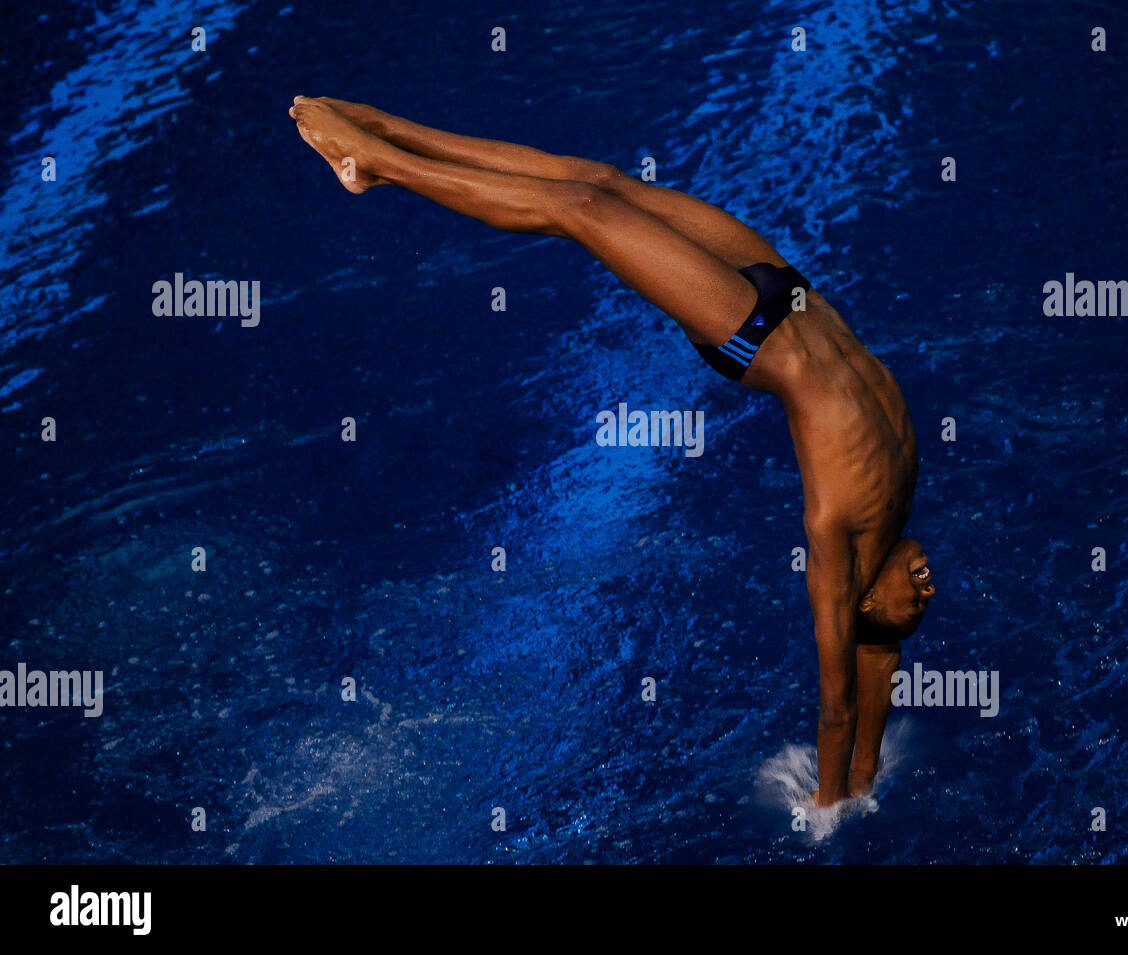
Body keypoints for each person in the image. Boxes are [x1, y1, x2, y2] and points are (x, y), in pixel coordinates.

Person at [288, 96, 937, 808]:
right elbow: (875, 691)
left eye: (912, 605)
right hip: (790, 289)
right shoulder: (897, 494)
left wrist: (827, 810)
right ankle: (388, 131)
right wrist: (862, 782)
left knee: (580, 212)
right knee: (602, 181)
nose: (929, 587)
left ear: (865, 596)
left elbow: (841, 708)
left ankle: (374, 162)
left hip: (751, 328)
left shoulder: (834, 539)